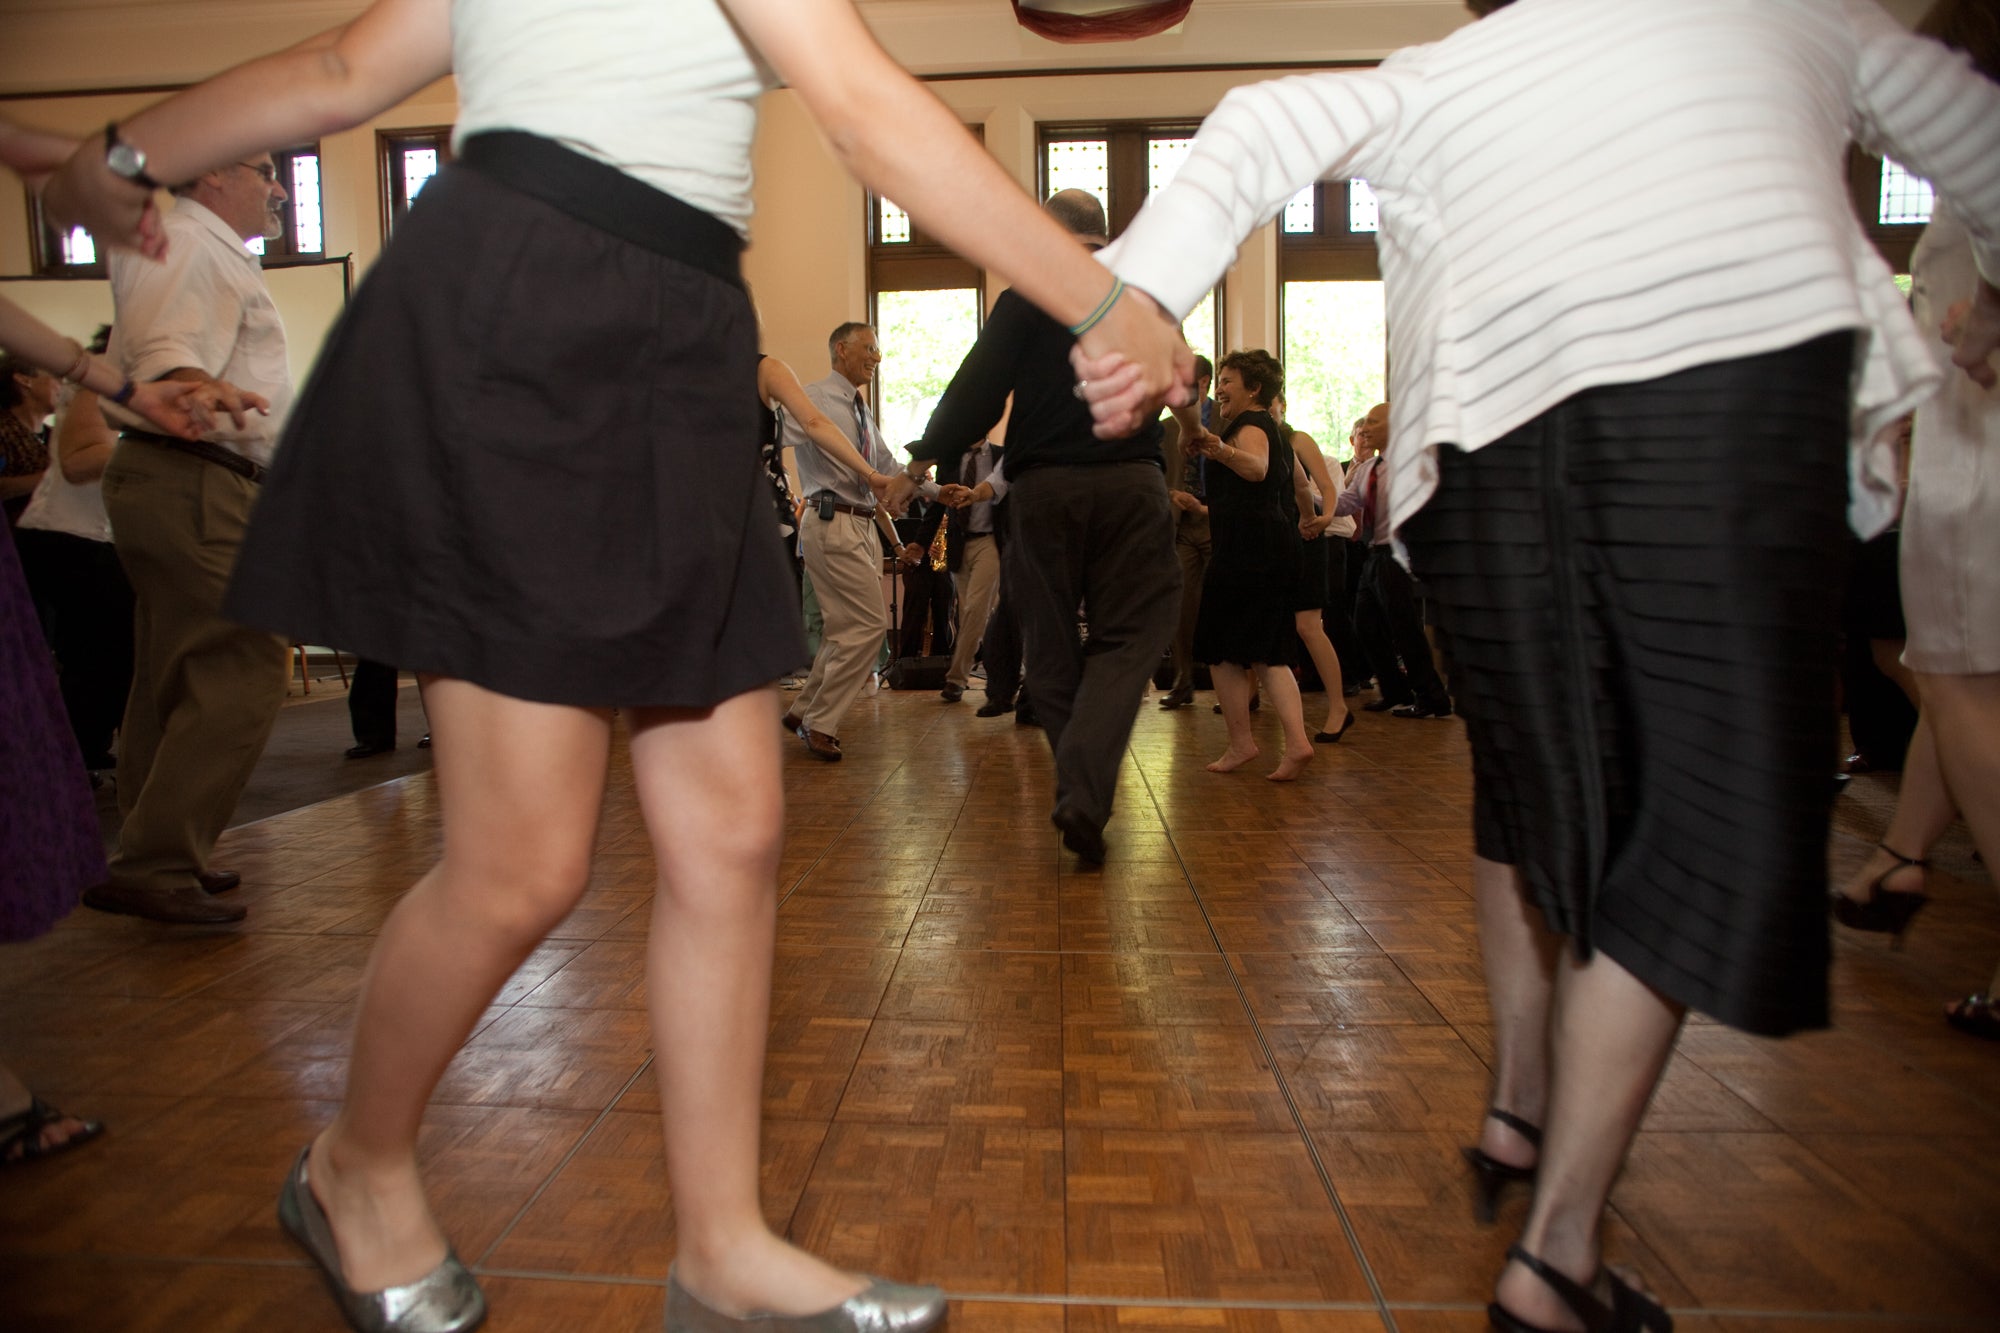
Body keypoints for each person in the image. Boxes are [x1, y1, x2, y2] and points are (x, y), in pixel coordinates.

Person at [44, 3, 1190, 1330]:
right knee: (523, 863)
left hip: (674, 325)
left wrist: (117, 158)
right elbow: (862, 107)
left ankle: (722, 1248)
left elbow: (338, 68)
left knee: (732, 833)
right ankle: (351, 1165)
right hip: (534, 303)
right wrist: (1104, 299)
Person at [1076, 2, 2000, 1330]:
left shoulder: (1456, 63)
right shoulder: (1792, 16)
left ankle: (1517, 1108)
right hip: (1720, 384)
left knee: (1522, 791)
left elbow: (1262, 120)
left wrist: (1143, 293)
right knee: (1709, 813)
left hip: (1489, 432)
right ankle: (1558, 1255)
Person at [894, 189, 1180, 862]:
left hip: (1048, 488)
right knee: (1130, 634)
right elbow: (1176, 382)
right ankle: (1084, 792)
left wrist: (921, 456)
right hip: (1134, 484)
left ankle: (1077, 783)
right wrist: (1191, 433)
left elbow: (979, 386)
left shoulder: (1030, 290)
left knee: (1048, 639)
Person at [1832, 0, 2000, 1042]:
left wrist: (1971, 329)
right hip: (1961, 454)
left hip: (1979, 466)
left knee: (1955, 682)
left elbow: (1981, 303)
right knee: (1957, 677)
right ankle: (1897, 857)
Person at [76, 147, 295, 928]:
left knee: (170, 671)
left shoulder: (196, 244)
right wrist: (194, 387)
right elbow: (170, 358)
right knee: (245, 658)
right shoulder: (192, 243)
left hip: (181, 476)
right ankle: (157, 860)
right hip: (192, 473)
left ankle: (157, 848)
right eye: (262, 169)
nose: (275, 187)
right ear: (212, 174)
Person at [1181, 350, 1315, 782]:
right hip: (1263, 546)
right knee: (1263, 652)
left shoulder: (1253, 424)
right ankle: (1292, 744)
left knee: (1223, 650)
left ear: (1254, 388)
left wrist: (1217, 447)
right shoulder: (1272, 427)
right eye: (1218, 379)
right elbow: (1291, 482)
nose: (1219, 387)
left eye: (1227, 380)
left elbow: (1256, 471)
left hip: (1248, 553)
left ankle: (1248, 743)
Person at [780, 323, 906, 761]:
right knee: (871, 628)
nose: (877, 357)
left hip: (860, 523)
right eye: (870, 348)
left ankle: (801, 711)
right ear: (842, 349)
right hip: (833, 520)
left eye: (878, 350)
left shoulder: (859, 408)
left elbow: (886, 463)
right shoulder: (814, 398)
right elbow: (777, 437)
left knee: (840, 631)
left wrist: (932, 490)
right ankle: (821, 723)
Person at [14, 329, 137, 774]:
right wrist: (152, 446)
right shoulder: (101, 382)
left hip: (83, 536)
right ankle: (71, 759)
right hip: (68, 535)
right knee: (105, 652)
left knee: (102, 651)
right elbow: (79, 461)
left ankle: (81, 751)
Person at [1340, 403, 1452, 719]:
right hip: (1375, 556)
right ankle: (1395, 692)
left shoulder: (1416, 463)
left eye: (1375, 421)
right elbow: (1346, 503)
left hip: (1400, 555)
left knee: (1405, 629)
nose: (1367, 427)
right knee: (1366, 626)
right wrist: (1306, 495)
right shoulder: (1369, 468)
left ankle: (1432, 697)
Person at [1272, 393, 1354, 742]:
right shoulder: (1248, 439)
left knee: (1308, 626)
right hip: (1273, 542)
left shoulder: (1297, 439)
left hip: (1305, 537)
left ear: (1282, 405)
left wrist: (1323, 517)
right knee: (1270, 624)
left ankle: (1338, 706)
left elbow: (1327, 486)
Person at [915, 436, 1004, 703]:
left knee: (976, 607)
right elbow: (938, 505)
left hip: (992, 542)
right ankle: (997, 667)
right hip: (959, 543)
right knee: (969, 614)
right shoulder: (952, 458)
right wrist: (920, 543)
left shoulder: (1002, 456)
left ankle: (955, 679)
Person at [1158, 354, 1215, 710]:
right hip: (1181, 526)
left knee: (1225, 601)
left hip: (1218, 522)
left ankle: (1243, 685)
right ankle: (1183, 679)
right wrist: (1169, 496)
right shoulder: (1164, 428)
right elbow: (1153, 473)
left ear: (1205, 383)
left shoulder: (1230, 421)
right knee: (1182, 606)